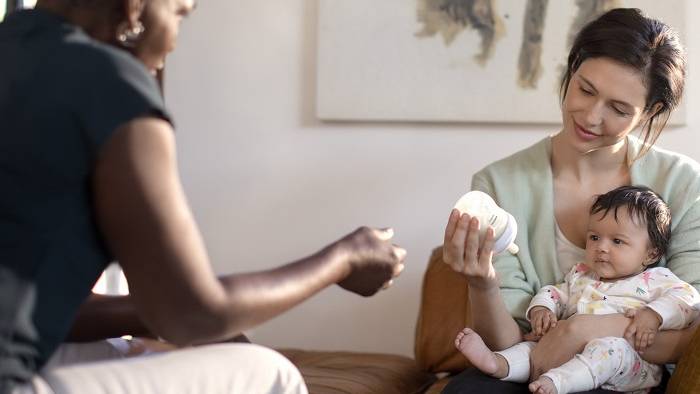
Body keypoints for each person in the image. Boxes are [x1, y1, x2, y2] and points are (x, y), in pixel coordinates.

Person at [0, 1, 407, 393]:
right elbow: (193, 315)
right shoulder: (112, 83)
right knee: (268, 374)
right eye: (180, 13)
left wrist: (150, 316)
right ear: (134, 6)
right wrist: (344, 259)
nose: (174, 41)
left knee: (119, 352)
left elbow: (39, 311)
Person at [441, 7, 700, 393]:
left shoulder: (683, 183)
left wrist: (584, 328)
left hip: (626, 372)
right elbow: (507, 343)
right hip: (531, 363)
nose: (591, 117)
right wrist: (482, 284)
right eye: (585, 89)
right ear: (572, 68)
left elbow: (693, 334)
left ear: (650, 112)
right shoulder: (499, 183)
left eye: (618, 109)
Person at [455, 186, 700, 394]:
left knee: (609, 351)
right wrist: (542, 308)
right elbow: (554, 292)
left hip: (624, 369)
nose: (601, 247)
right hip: (559, 351)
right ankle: (497, 363)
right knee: (531, 348)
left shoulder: (656, 279)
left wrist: (654, 315)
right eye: (594, 237)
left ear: (651, 253)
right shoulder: (581, 274)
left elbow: (688, 300)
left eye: (617, 241)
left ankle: (557, 383)